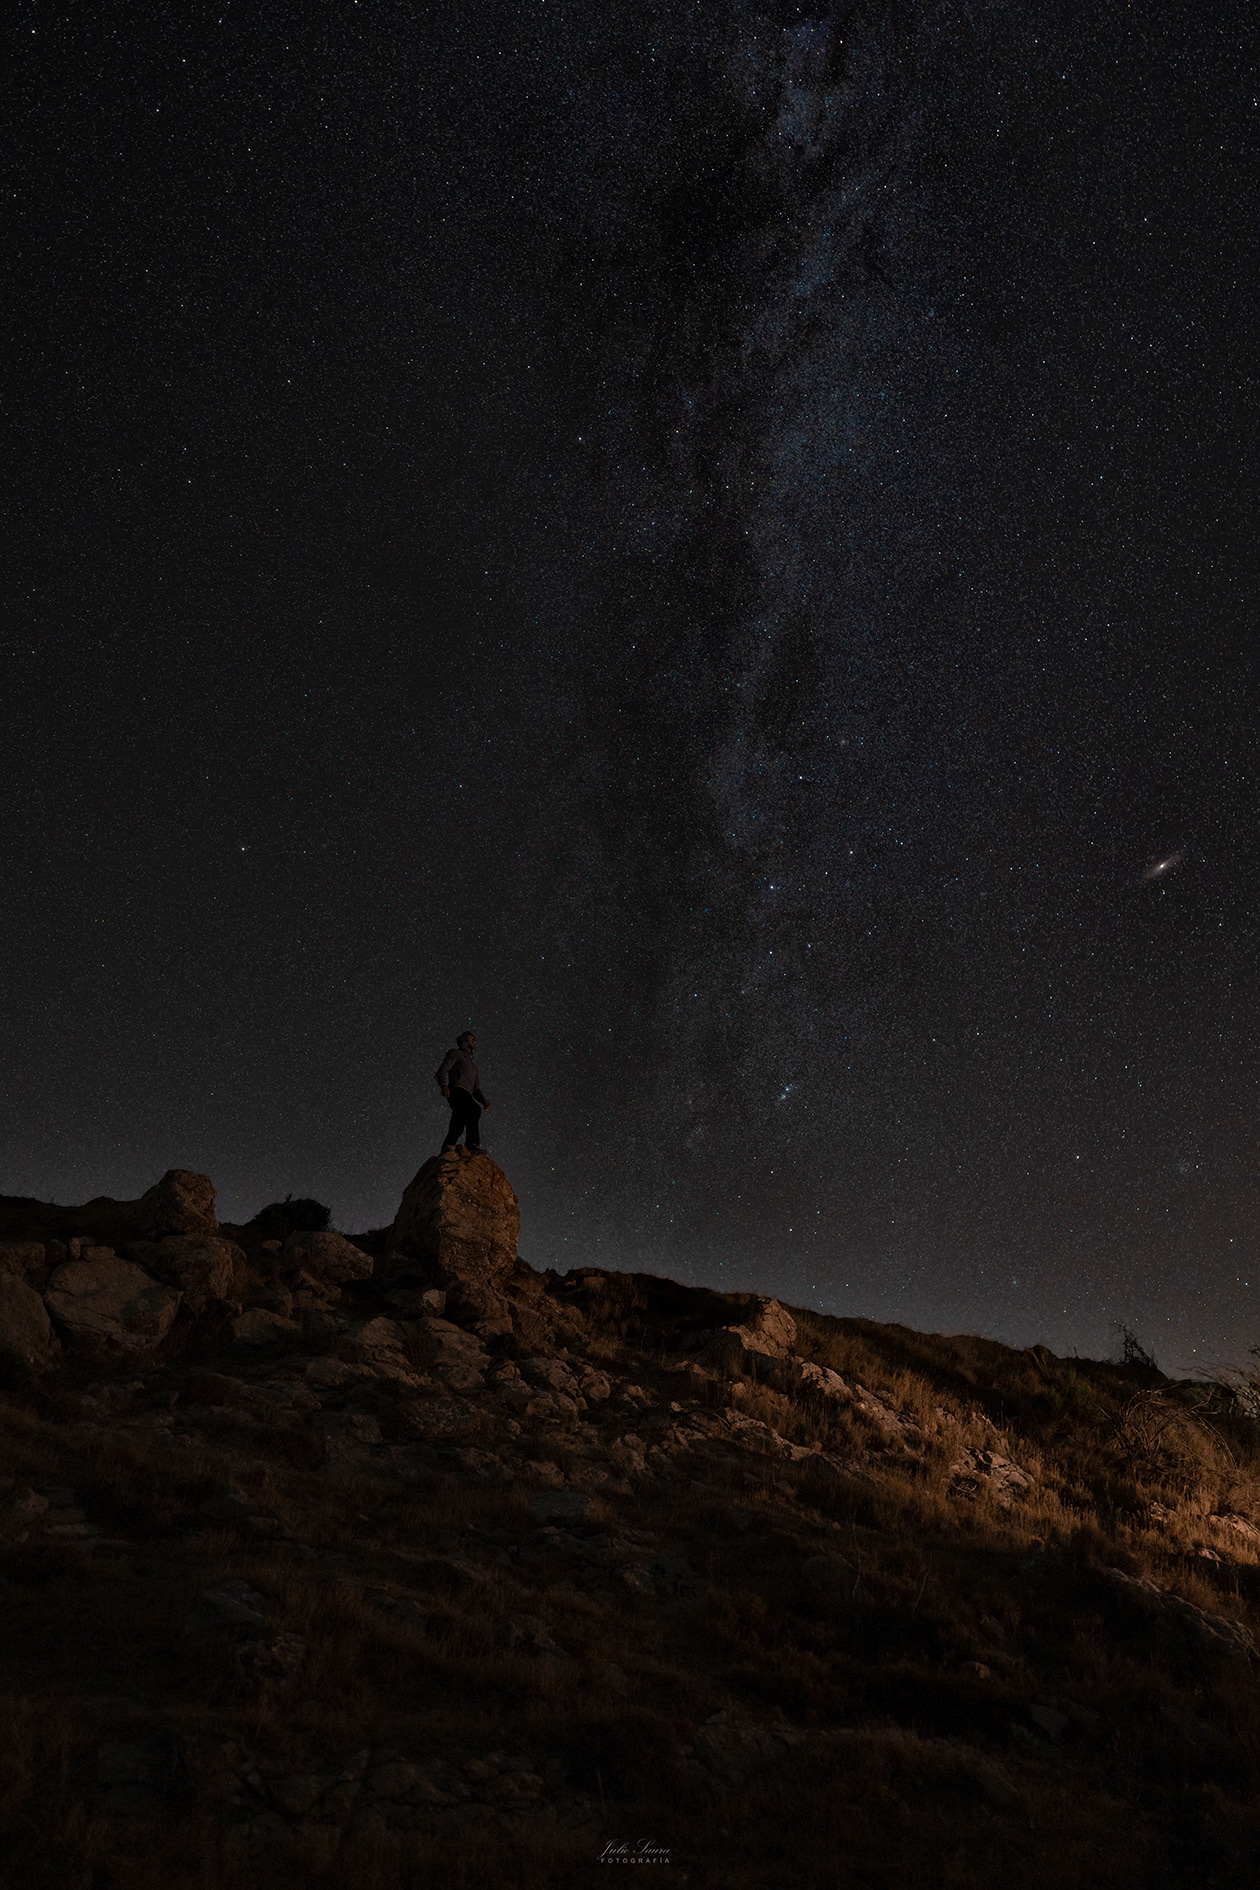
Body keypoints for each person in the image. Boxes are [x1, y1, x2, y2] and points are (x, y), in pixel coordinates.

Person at [436, 1030, 490, 1154]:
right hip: (456, 1090)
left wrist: (483, 1100)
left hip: (467, 1093)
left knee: (458, 1121)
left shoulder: (474, 1068)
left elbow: (475, 1089)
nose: (474, 1042)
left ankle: (447, 1147)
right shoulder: (456, 1054)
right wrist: (444, 1085)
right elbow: (442, 1070)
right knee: (474, 1110)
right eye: (472, 1039)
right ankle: (471, 1144)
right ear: (465, 1041)